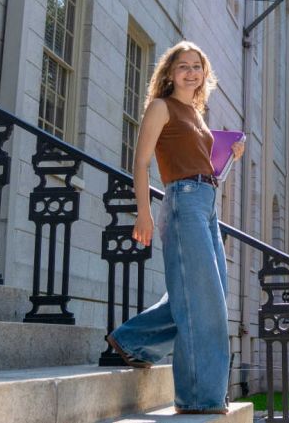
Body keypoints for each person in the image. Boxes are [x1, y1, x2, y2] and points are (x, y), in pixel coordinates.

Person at [105, 41, 245, 415]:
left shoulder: (196, 113)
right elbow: (140, 163)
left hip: (206, 201)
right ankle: (199, 397)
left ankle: (132, 342)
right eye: (182, 66)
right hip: (181, 200)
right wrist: (143, 212)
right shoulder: (160, 107)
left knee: (203, 294)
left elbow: (203, 167)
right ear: (169, 73)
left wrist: (228, 155)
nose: (191, 72)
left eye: (197, 66)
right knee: (205, 300)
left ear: (204, 74)